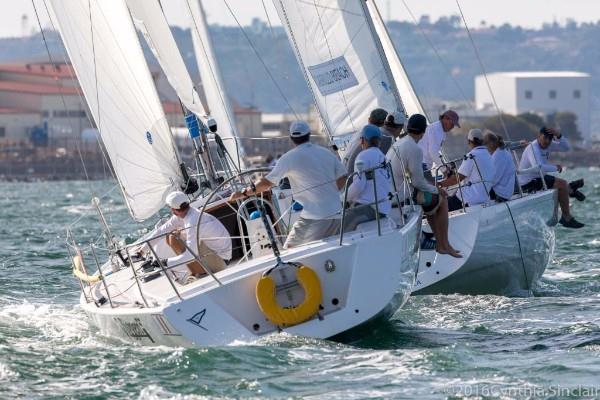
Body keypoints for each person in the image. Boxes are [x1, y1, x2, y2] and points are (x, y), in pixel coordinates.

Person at [229, 120, 347, 248]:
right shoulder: (326, 152)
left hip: (315, 217)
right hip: (337, 212)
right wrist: (330, 193)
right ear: (309, 134)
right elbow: (344, 177)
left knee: (289, 250)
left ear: (291, 138)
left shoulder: (289, 158)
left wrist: (244, 193)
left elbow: (266, 183)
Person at [387, 114, 461, 258]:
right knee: (442, 198)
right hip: (401, 195)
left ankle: (442, 244)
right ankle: (444, 244)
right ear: (423, 131)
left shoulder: (398, 143)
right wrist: (438, 189)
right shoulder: (414, 149)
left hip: (391, 194)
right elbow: (418, 182)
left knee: (431, 201)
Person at [149, 191, 232, 284]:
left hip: (220, 261)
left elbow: (190, 255)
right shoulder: (189, 214)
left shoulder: (192, 220)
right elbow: (162, 230)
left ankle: (201, 274)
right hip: (217, 255)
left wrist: (164, 263)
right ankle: (197, 271)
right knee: (171, 235)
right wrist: (141, 251)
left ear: (173, 210)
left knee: (175, 237)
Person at [518, 127, 584, 228]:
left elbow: (566, 147)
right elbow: (538, 167)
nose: (547, 141)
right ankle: (567, 217)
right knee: (561, 184)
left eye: (550, 138)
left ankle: (570, 190)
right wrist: (555, 167)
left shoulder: (549, 144)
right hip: (527, 182)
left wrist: (559, 135)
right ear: (539, 136)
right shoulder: (533, 148)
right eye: (545, 138)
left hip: (538, 177)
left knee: (561, 184)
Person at [344, 124, 392, 231]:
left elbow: (358, 185)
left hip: (370, 209)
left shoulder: (363, 156)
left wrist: (343, 199)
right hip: (383, 209)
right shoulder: (383, 157)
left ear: (362, 140)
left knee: (339, 226)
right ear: (379, 141)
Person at [439, 129, 496, 212]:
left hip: (467, 200)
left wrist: (439, 184)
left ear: (470, 141)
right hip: (484, 198)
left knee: (439, 205)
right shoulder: (489, 156)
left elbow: (457, 179)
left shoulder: (471, 156)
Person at [418, 109, 460, 181]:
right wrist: (444, 170)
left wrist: (446, 166)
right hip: (421, 165)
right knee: (431, 190)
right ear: (445, 119)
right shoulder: (437, 130)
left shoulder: (438, 129)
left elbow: (435, 152)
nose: (453, 127)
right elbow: (433, 152)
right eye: (452, 124)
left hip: (421, 165)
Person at [343, 108, 388, 174]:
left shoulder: (360, 133)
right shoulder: (378, 137)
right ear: (384, 124)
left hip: (346, 172)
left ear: (369, 120)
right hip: (354, 173)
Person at [483, 131, 516, 202]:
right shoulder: (504, 152)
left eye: (485, 144)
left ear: (491, 143)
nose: (485, 147)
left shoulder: (497, 156)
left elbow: (494, 179)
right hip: (507, 191)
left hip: (501, 194)